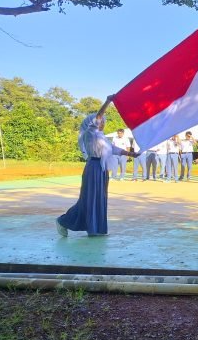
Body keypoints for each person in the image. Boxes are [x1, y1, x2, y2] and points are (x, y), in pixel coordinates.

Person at [56, 96, 138, 237]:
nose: (103, 122)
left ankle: (97, 228)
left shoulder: (101, 137)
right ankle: (63, 221)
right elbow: (98, 117)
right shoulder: (90, 133)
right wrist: (108, 102)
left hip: (101, 169)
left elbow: (113, 149)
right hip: (93, 167)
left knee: (99, 198)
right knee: (89, 199)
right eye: (102, 121)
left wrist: (131, 154)